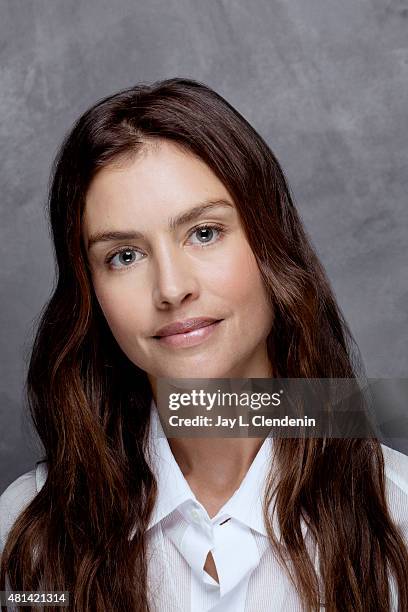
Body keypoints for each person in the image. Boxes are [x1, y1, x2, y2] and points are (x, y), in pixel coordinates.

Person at [0, 77, 407, 612]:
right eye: (124, 255)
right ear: (90, 293)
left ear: (270, 243)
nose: (171, 289)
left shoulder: (398, 516)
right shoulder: (28, 533)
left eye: (205, 232)